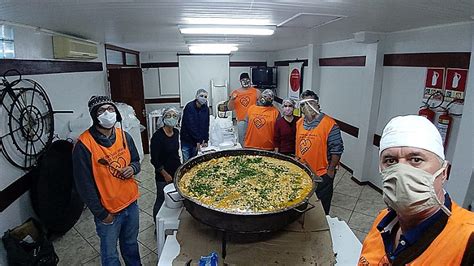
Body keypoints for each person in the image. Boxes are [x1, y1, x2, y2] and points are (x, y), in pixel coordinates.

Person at [359, 115, 474, 265]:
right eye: (390, 161)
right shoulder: (382, 221)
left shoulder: (468, 240)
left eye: (416, 160)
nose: (401, 171)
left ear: (443, 172)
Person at [72, 95, 141, 266]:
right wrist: (102, 214)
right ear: (94, 116)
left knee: (131, 245)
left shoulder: (124, 136)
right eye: (102, 110)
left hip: (130, 203)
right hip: (109, 211)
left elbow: (136, 161)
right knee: (110, 254)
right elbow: (84, 186)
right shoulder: (84, 145)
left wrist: (132, 168)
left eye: (110, 109)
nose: (107, 113)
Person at [295, 90, 344, 215]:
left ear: (318, 104)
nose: (308, 107)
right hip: (302, 172)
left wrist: (331, 170)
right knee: (303, 203)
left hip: (322, 173)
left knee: (321, 206)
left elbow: (337, 149)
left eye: (311, 103)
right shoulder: (299, 122)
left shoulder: (330, 124)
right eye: (304, 104)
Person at [150, 107, 181, 221]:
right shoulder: (157, 137)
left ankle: (172, 221)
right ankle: (157, 225)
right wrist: (165, 174)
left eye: (174, 116)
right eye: (168, 116)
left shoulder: (176, 132)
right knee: (161, 198)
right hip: (162, 173)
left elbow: (175, 153)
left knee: (175, 197)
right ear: (163, 118)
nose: (172, 118)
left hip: (176, 169)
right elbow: (154, 160)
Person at [226, 72, 260, 145]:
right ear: (240, 81)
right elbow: (230, 108)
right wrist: (232, 99)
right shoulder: (235, 93)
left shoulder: (256, 92)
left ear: (250, 80)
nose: (245, 81)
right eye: (243, 80)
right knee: (242, 140)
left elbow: (262, 107)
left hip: (254, 119)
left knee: (254, 139)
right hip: (241, 120)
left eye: (247, 79)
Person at [180, 89, 210, 162]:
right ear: (196, 96)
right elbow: (190, 125)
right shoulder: (189, 107)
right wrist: (197, 140)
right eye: (201, 96)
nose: (203, 98)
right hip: (187, 139)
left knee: (194, 161)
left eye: (205, 97)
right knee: (186, 161)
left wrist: (206, 139)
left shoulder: (206, 108)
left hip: (197, 140)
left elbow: (206, 124)